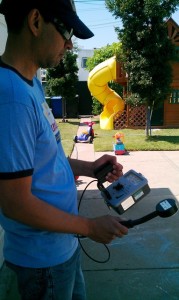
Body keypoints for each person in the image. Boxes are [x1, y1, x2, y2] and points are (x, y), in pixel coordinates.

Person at [0, 0, 128, 299]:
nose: (70, 45)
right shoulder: (11, 97)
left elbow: (45, 158)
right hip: (41, 264)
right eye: (66, 32)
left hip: (61, 249)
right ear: (35, 21)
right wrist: (89, 227)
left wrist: (87, 167)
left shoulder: (30, 84)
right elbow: (15, 204)